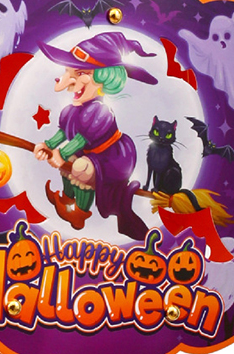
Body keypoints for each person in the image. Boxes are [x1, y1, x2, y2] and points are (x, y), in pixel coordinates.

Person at [31, 31, 157, 238]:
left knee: (79, 167)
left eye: (80, 73)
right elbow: (63, 133)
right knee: (73, 161)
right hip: (89, 152)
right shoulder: (71, 110)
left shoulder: (100, 111)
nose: (70, 79)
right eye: (68, 71)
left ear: (102, 78)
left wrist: (61, 154)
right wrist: (47, 145)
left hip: (112, 157)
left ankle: (80, 212)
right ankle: (67, 199)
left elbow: (82, 139)